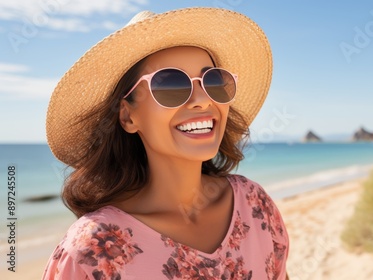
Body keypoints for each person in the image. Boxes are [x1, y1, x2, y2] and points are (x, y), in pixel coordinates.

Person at [42, 7, 289, 280]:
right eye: (170, 84)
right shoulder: (91, 251)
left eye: (214, 81)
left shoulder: (255, 205)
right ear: (128, 116)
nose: (203, 100)